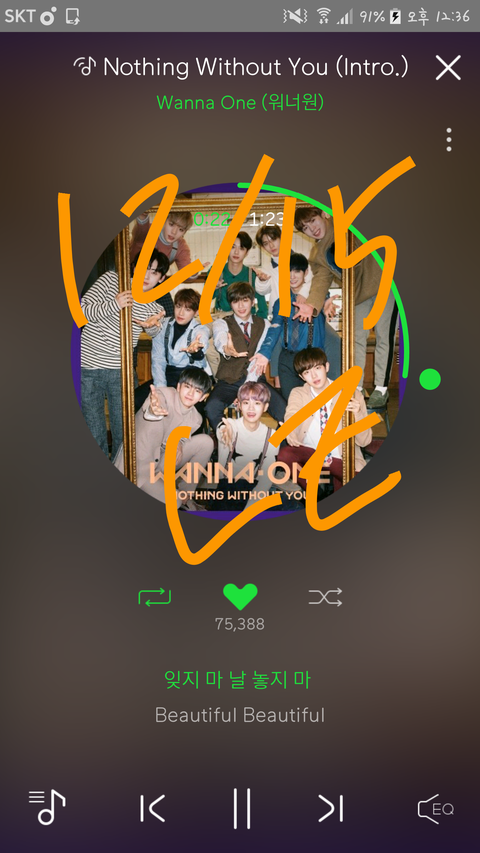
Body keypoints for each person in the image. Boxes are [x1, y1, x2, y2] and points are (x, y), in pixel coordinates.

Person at [294, 207, 398, 407]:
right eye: (305, 228)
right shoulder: (318, 254)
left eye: (313, 221)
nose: (312, 229)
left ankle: (381, 389)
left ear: (324, 214)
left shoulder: (347, 226)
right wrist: (311, 305)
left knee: (384, 336)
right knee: (355, 340)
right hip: (358, 295)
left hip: (384, 284)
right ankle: (356, 387)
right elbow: (321, 281)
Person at [81, 249, 168, 459]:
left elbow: (154, 332)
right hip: (89, 368)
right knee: (93, 430)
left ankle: (120, 470)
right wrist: (115, 304)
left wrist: (153, 326)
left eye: (155, 272)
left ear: (161, 278)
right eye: (145, 268)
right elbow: (81, 310)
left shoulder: (154, 305)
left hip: (122, 371)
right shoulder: (111, 280)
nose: (147, 276)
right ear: (134, 267)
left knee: (125, 433)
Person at [115, 367, 213, 510]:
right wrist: (153, 410)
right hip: (138, 468)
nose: (191, 393)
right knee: (174, 502)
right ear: (178, 387)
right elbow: (153, 408)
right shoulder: (163, 395)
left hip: (161, 464)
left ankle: (185, 495)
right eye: (187, 387)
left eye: (197, 391)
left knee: (206, 442)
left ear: (203, 397)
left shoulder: (196, 418)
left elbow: (181, 436)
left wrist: (179, 442)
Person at [277, 347, 372, 493]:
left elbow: (365, 441)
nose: (314, 375)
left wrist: (358, 414)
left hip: (340, 459)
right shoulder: (299, 393)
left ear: (326, 367)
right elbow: (292, 414)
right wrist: (290, 431)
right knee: (285, 455)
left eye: (317, 368)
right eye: (307, 372)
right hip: (311, 455)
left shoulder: (351, 393)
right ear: (302, 377)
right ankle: (316, 493)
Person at [205, 281, 286, 430]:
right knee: (211, 408)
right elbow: (220, 338)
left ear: (252, 301)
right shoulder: (221, 323)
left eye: (245, 300)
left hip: (256, 380)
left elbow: (259, 356)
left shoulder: (264, 324)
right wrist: (226, 349)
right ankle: (228, 438)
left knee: (284, 412)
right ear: (231, 304)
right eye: (236, 301)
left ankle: (275, 443)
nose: (241, 306)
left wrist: (245, 391)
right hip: (228, 381)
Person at [250, 254, 327, 402]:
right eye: (288, 272)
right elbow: (275, 327)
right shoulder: (281, 303)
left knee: (314, 404)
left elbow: (323, 289)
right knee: (291, 404)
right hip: (287, 360)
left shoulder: (317, 298)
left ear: (305, 273)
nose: (292, 276)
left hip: (312, 360)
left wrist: (327, 302)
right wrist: (264, 352)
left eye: (297, 271)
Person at [214, 382, 278, 510]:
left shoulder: (272, 435)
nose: (251, 408)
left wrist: (250, 508)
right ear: (239, 405)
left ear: (265, 407)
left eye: (257, 403)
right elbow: (223, 429)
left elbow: (267, 478)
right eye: (246, 402)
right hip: (228, 487)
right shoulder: (230, 426)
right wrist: (224, 431)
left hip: (256, 487)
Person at [151, 288, 210, 388]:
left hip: (191, 376)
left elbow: (202, 338)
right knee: (139, 395)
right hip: (168, 373)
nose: (181, 313)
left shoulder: (199, 329)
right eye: (178, 307)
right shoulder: (162, 325)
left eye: (188, 309)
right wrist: (160, 388)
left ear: (196, 312)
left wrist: (196, 350)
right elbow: (158, 360)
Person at [214, 231, 268, 318]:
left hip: (247, 319)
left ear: (247, 252)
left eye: (241, 248)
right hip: (223, 319)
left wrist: (259, 323)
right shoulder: (216, 271)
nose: (236, 252)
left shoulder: (252, 275)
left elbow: (263, 308)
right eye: (233, 247)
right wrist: (213, 287)